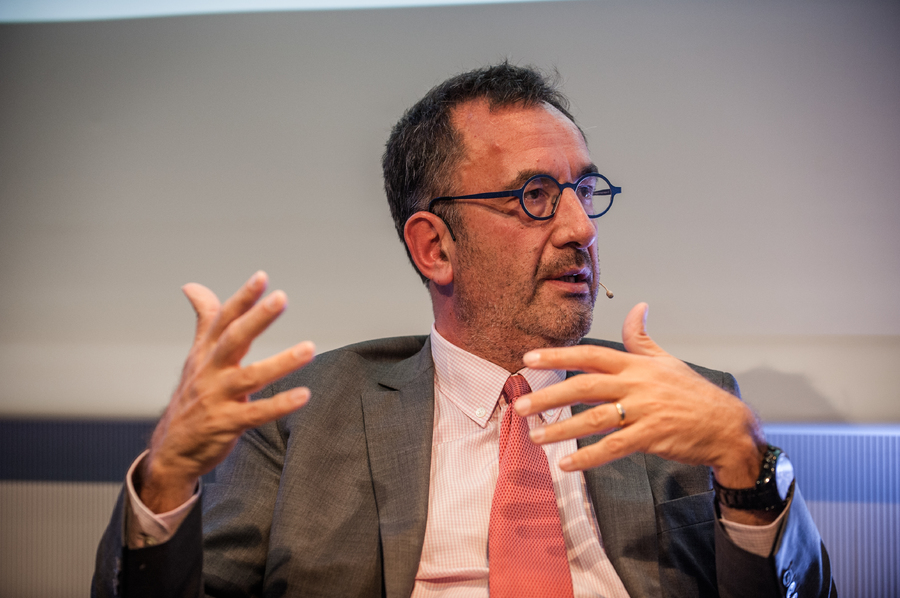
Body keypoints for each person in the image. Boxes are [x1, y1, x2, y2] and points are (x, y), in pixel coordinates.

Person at [92, 63, 835, 597]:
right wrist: (166, 481)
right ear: (434, 247)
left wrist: (747, 470)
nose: (580, 227)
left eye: (583, 191)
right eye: (535, 196)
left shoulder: (691, 406)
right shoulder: (297, 417)